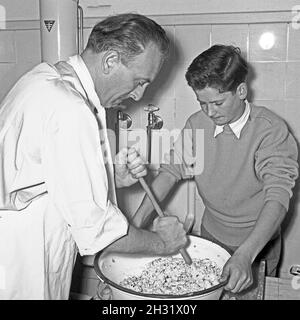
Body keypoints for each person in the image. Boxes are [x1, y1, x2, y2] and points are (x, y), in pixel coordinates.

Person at [0, 13, 188, 300]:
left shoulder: (42, 79)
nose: (138, 95)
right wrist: (164, 243)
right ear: (110, 61)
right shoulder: (70, 109)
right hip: (24, 259)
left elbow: (47, 171)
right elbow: (100, 233)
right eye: (139, 81)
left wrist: (109, 173)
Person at [132, 45, 299, 294]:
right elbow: (169, 172)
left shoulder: (271, 131)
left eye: (218, 103)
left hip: (257, 243)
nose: (210, 112)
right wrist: (134, 224)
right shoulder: (197, 124)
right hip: (213, 235)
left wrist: (246, 254)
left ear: (241, 91)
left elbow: (277, 197)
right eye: (203, 103)